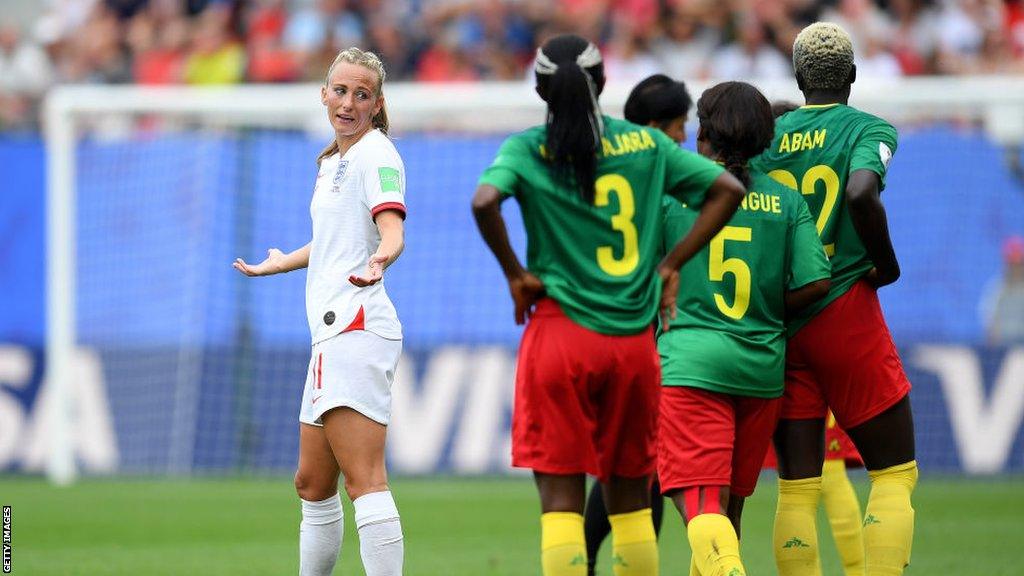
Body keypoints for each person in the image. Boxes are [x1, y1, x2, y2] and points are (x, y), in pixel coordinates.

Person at [472, 34, 745, 576]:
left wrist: (516, 275)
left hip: (559, 335)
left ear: (539, 89)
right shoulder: (647, 146)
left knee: (561, 510)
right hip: (633, 344)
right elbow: (728, 190)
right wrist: (670, 266)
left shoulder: (527, 148)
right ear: (602, 84)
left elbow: (484, 201)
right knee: (631, 507)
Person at [233, 47, 407, 576]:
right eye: (340, 91)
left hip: (356, 326)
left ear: (377, 105)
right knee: (311, 481)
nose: (348, 102)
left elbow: (392, 228)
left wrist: (382, 257)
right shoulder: (336, 160)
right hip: (332, 332)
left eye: (361, 94)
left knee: (365, 480)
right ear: (324, 93)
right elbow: (335, 240)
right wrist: (284, 262)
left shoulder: (377, 153)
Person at [752, 21, 918, 576]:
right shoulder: (869, 128)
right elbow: (860, 191)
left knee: (798, 487)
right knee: (893, 473)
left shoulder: (765, 141)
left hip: (783, 316)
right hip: (845, 308)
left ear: (798, 78)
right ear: (852, 75)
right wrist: (886, 265)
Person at [657, 81, 831, 576]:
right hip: (760, 369)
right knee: (726, 515)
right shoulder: (786, 201)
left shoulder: (674, 194)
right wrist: (765, 308)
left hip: (691, 364)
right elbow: (816, 283)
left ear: (704, 135)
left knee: (700, 507)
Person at [581, 72, 692, 576]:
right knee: (644, 473)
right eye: (677, 126)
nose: (684, 138)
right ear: (652, 127)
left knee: (638, 472)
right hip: (649, 340)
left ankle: (579, 559)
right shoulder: (662, 185)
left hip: (618, 334)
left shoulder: (606, 170)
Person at [766, 100, 869, 576]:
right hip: (828, 319)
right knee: (824, 475)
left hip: (771, 335)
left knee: (799, 483)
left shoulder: (759, 191)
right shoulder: (824, 180)